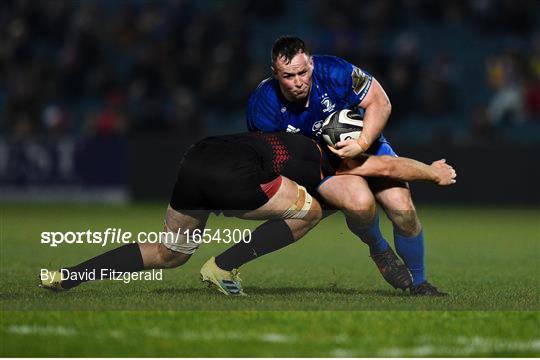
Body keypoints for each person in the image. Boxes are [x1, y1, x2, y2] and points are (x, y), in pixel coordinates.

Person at [40, 132, 456, 295]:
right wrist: (433, 173)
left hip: (195, 159)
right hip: (233, 177)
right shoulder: (329, 156)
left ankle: (69, 276)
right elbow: (387, 167)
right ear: (339, 141)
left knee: (171, 253)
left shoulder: (288, 139)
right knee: (311, 212)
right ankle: (223, 267)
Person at [210, 36, 448, 296]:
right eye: (288, 76)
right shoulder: (263, 105)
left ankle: (420, 283)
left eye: (302, 72)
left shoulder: (335, 70)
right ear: (275, 73)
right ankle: (378, 248)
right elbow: (272, 158)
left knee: (403, 210)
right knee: (360, 203)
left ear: (311, 64)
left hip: (363, 143)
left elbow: (380, 102)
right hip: (317, 163)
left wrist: (362, 142)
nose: (298, 81)